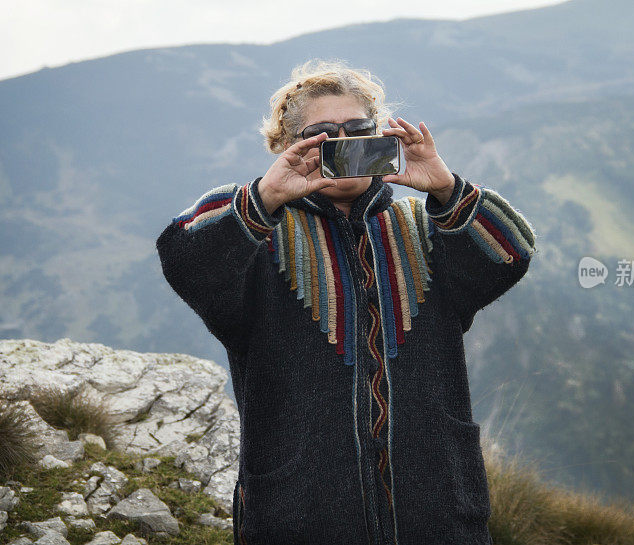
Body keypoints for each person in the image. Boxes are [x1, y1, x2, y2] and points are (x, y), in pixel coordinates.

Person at [156, 58, 537, 545]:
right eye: (321, 135)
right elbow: (184, 257)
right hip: (299, 513)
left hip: (438, 511)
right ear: (290, 146)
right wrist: (266, 195)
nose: (343, 143)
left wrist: (446, 188)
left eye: (357, 129)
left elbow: (511, 252)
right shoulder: (258, 239)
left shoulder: (426, 230)